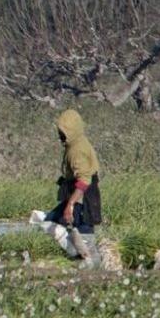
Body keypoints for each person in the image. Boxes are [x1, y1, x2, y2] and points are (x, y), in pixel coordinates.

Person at [46, 109, 102, 264]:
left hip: (82, 198)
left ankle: (92, 267)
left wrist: (70, 204)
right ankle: (80, 260)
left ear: (71, 131)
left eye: (63, 132)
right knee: (53, 222)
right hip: (78, 195)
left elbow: (84, 180)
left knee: (84, 237)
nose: (60, 136)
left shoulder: (77, 150)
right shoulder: (76, 142)